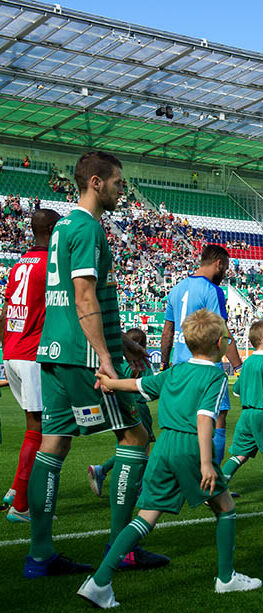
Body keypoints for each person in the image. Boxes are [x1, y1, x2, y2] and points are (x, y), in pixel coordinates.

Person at [27, 151, 167, 578]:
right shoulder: (86, 227)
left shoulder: (63, 225)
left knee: (53, 444)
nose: (122, 189)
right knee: (137, 437)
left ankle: (39, 555)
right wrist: (107, 357)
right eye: (118, 182)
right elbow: (84, 295)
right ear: (95, 182)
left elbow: (74, 302)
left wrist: (121, 338)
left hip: (54, 351)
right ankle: (120, 548)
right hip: (85, 358)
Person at [77, 309, 261, 608]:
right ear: (219, 343)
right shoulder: (214, 377)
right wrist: (205, 462)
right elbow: (204, 419)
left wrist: (110, 384)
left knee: (146, 517)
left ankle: (99, 582)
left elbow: (138, 386)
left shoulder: (175, 370)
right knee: (225, 508)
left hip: (163, 446)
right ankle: (226, 578)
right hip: (190, 447)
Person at [0, 208, 59, 522]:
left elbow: (6, 308)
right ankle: (21, 505)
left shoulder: (19, 263)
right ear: (51, 228)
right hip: (32, 353)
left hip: (12, 350)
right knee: (41, 429)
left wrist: (6, 346)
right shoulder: (50, 264)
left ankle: (14, 490)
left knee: (32, 427)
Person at [160, 244, 243, 465]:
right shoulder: (212, 290)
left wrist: (163, 365)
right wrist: (238, 367)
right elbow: (222, 330)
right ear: (219, 264)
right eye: (225, 268)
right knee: (217, 421)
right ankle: (212, 484)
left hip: (179, 367)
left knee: (184, 426)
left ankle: (181, 475)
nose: (224, 273)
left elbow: (167, 330)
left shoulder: (177, 288)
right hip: (206, 368)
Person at [87, 327, 157, 498]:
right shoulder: (140, 363)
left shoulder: (120, 363)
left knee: (127, 445)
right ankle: (136, 484)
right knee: (142, 446)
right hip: (139, 405)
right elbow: (150, 389)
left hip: (121, 405)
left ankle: (103, 471)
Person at [221, 321, 263, 490]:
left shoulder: (248, 363)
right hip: (262, 415)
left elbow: (237, 390)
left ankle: (216, 491)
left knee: (240, 454)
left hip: (246, 416)